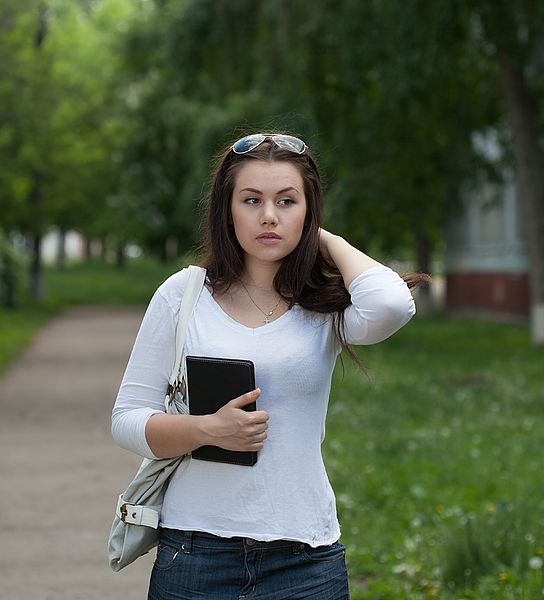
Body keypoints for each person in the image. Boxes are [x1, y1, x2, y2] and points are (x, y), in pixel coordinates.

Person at [111, 132, 427, 599]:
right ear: (226, 209)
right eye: (251, 200)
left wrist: (322, 238)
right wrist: (207, 430)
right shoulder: (184, 295)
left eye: (287, 201)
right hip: (196, 555)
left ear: (309, 210)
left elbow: (392, 306)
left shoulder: (325, 308)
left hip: (305, 559)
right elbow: (126, 419)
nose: (268, 216)